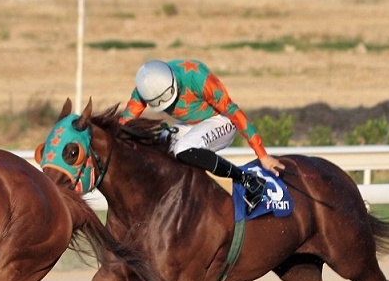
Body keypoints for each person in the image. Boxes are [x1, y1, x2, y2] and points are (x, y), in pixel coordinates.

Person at [120, 59, 286, 213]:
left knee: (182, 148)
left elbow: (235, 113)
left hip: (222, 120)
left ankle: (249, 181)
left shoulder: (198, 77)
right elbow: (123, 123)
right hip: (190, 125)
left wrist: (262, 155)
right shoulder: (146, 88)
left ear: (174, 82)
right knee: (158, 147)